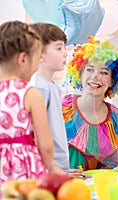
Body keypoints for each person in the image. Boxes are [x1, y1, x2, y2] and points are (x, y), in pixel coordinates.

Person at [0, 21, 65, 184]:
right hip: (26, 170)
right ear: (23, 59)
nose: (37, 65)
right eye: (37, 58)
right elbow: (45, 145)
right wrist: (52, 168)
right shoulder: (31, 94)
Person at [62, 36, 118, 171]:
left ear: (113, 81)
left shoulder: (116, 119)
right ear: (80, 73)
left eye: (104, 72)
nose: (95, 76)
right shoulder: (62, 108)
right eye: (90, 69)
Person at [29, 23, 69, 173]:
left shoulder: (52, 86)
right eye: (59, 48)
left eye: (64, 47)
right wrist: (53, 169)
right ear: (40, 54)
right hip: (47, 170)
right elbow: (37, 137)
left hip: (58, 168)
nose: (65, 53)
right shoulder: (38, 86)